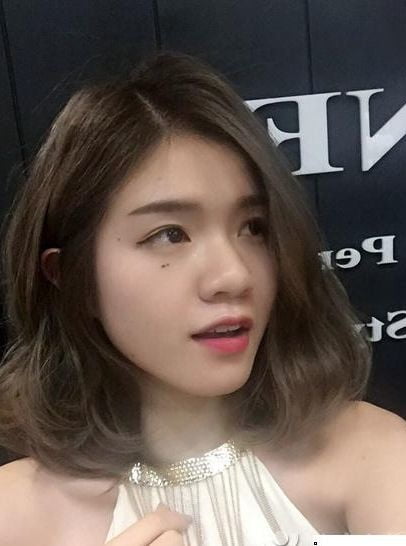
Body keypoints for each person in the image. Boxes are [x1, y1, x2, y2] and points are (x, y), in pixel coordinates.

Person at [0, 50, 404, 546]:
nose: (234, 275)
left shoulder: (370, 456)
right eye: (170, 234)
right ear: (69, 276)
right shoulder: (13, 514)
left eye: (253, 228)